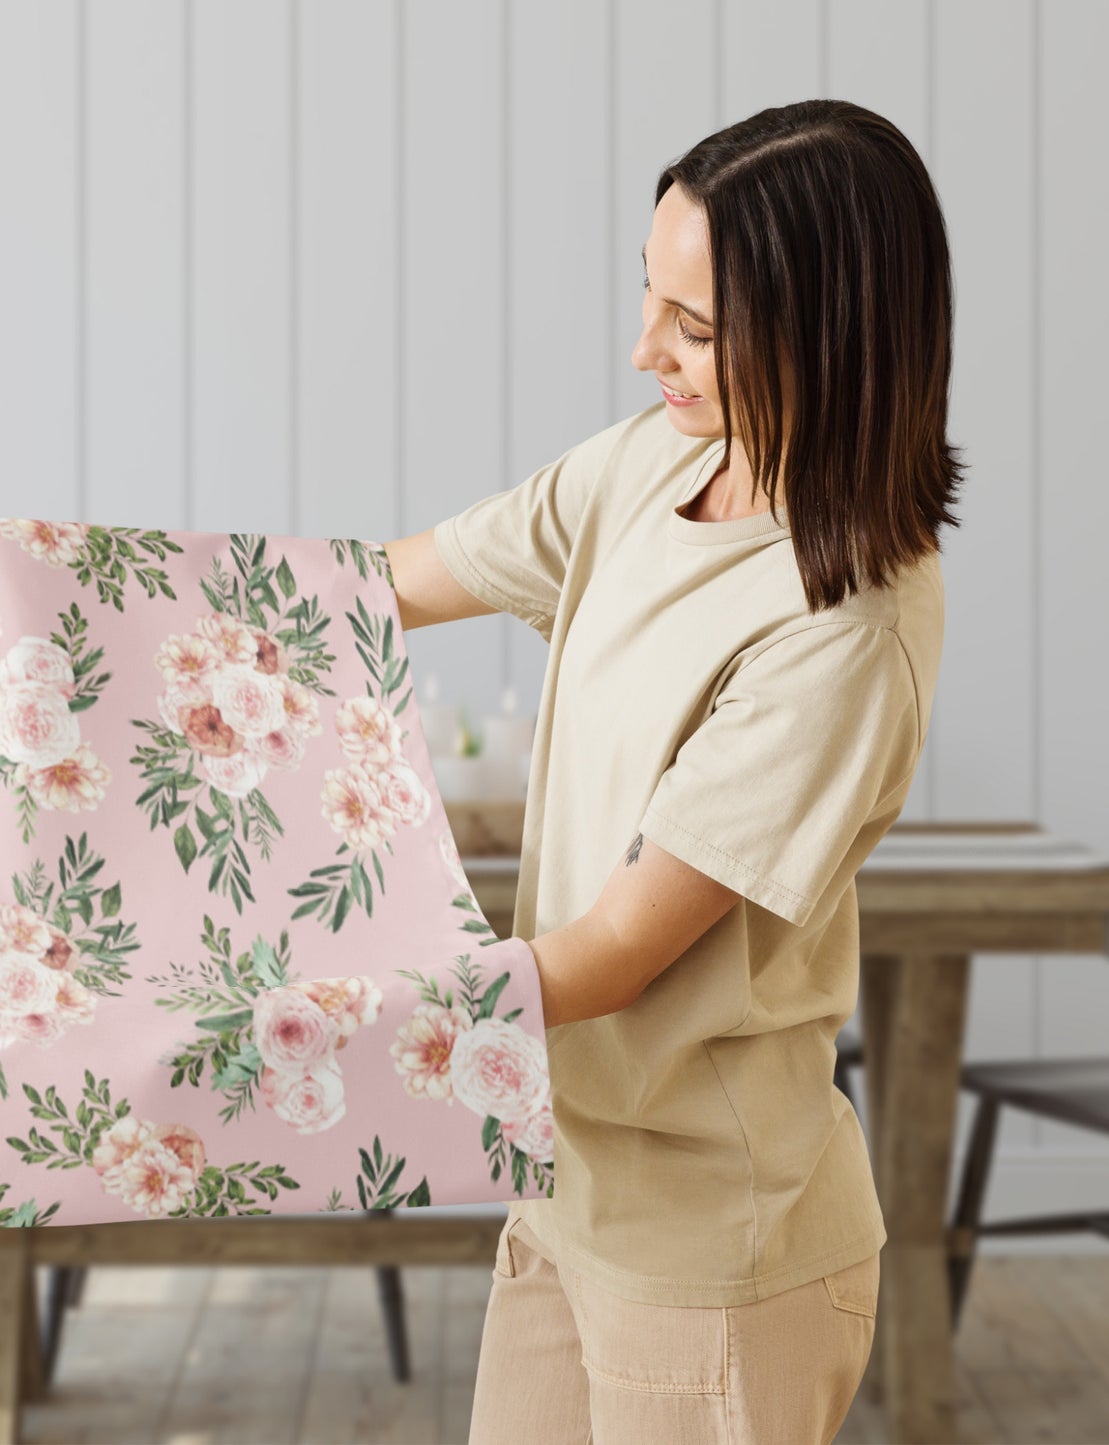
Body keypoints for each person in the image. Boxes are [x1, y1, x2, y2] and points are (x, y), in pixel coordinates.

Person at [385, 99, 962, 1445]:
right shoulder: (649, 465)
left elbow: (620, 951)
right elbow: (377, 588)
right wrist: (53, 635)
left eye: (695, 329)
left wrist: (353, 1005)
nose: (645, 350)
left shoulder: (847, 621)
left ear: (832, 332)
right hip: (563, 1185)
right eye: (651, 297)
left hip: (714, 1252)